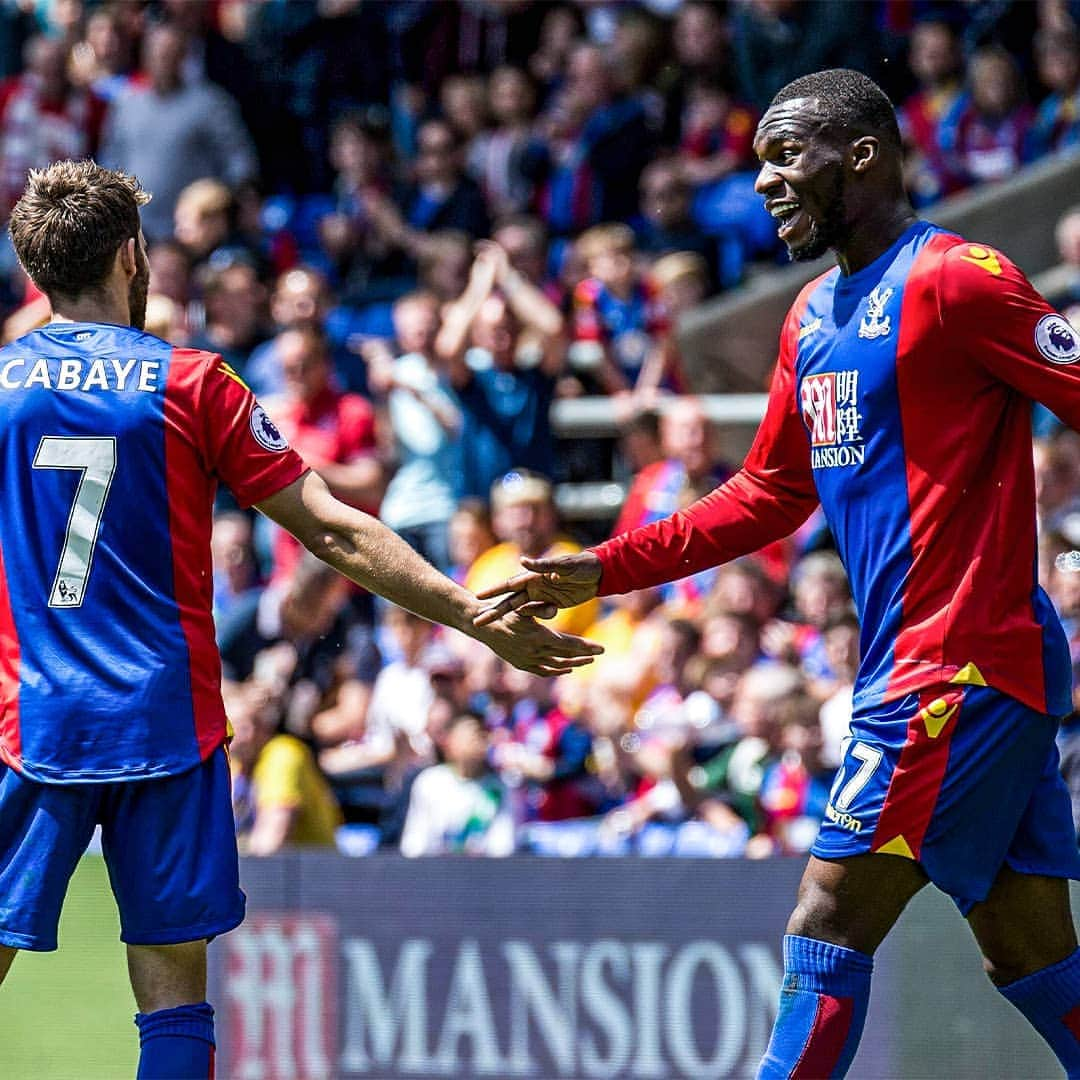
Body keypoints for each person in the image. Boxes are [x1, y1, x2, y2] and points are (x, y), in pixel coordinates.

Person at [476, 68, 1080, 1078]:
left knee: (827, 923)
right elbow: (764, 496)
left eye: (787, 154)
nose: (764, 182)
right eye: (758, 161)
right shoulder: (809, 319)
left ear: (866, 155)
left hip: (956, 667)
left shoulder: (956, 277)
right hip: (951, 670)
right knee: (1032, 958)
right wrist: (606, 568)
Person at [0, 160, 601, 1080]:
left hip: (28, 724)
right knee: (172, 995)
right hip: (166, 723)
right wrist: (473, 615)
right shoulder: (195, 383)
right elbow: (335, 531)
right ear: (132, 255)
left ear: (34, 270)